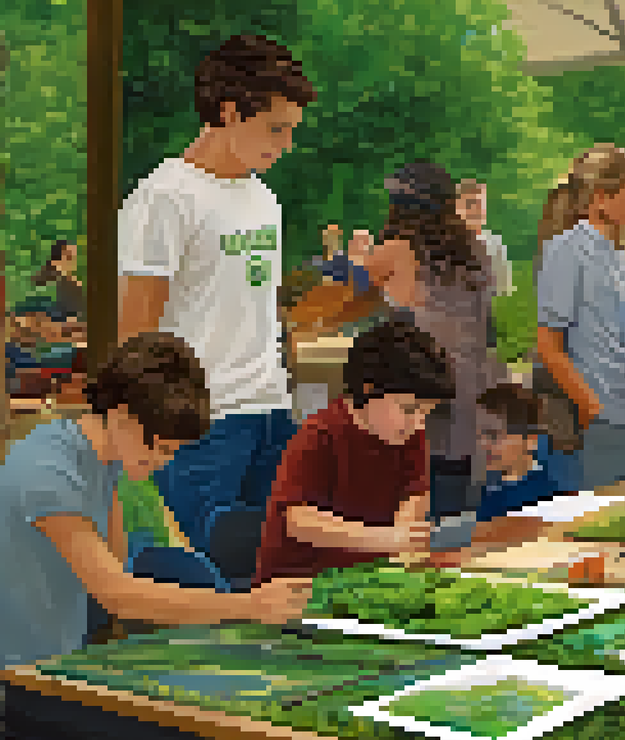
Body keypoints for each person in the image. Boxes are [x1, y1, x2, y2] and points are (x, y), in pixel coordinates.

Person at [0, 332, 311, 740]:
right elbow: (117, 593)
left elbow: (120, 570)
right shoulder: (48, 468)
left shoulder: (100, 459)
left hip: (65, 665)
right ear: (122, 415)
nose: (163, 462)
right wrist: (249, 605)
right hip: (18, 681)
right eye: (160, 448)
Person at [116, 34, 317, 556]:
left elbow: (262, 308)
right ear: (228, 111)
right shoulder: (164, 199)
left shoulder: (264, 199)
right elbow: (136, 335)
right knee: (210, 579)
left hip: (271, 413)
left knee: (280, 566)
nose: (286, 145)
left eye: (291, 131)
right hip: (202, 425)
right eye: (276, 128)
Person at [252, 320, 452, 584]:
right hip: (298, 589)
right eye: (409, 409)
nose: (418, 423)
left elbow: (414, 498)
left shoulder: (409, 434)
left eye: (427, 413)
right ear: (368, 390)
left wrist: (405, 538)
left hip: (369, 581)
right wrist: (387, 538)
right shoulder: (321, 434)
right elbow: (298, 520)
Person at [364, 163, 501, 522]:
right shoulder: (475, 249)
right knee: (458, 502)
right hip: (471, 387)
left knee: (419, 502)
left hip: (421, 389)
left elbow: (352, 302)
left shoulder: (395, 250)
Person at [534, 144, 625, 491]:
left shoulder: (618, 256)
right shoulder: (566, 251)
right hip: (608, 421)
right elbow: (550, 346)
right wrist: (594, 408)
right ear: (600, 199)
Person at [474, 382, 563, 521]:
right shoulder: (494, 487)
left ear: (530, 441)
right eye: (478, 436)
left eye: (493, 436)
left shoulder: (543, 497)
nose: (482, 444)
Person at [456, 178, 514, 297]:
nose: (477, 209)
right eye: (470, 204)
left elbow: (502, 290)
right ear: (457, 208)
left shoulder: (495, 244)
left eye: (481, 204)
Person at [33, 239, 85, 321]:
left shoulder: (75, 284)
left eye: (74, 257)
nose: (73, 261)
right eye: (69, 257)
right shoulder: (53, 280)